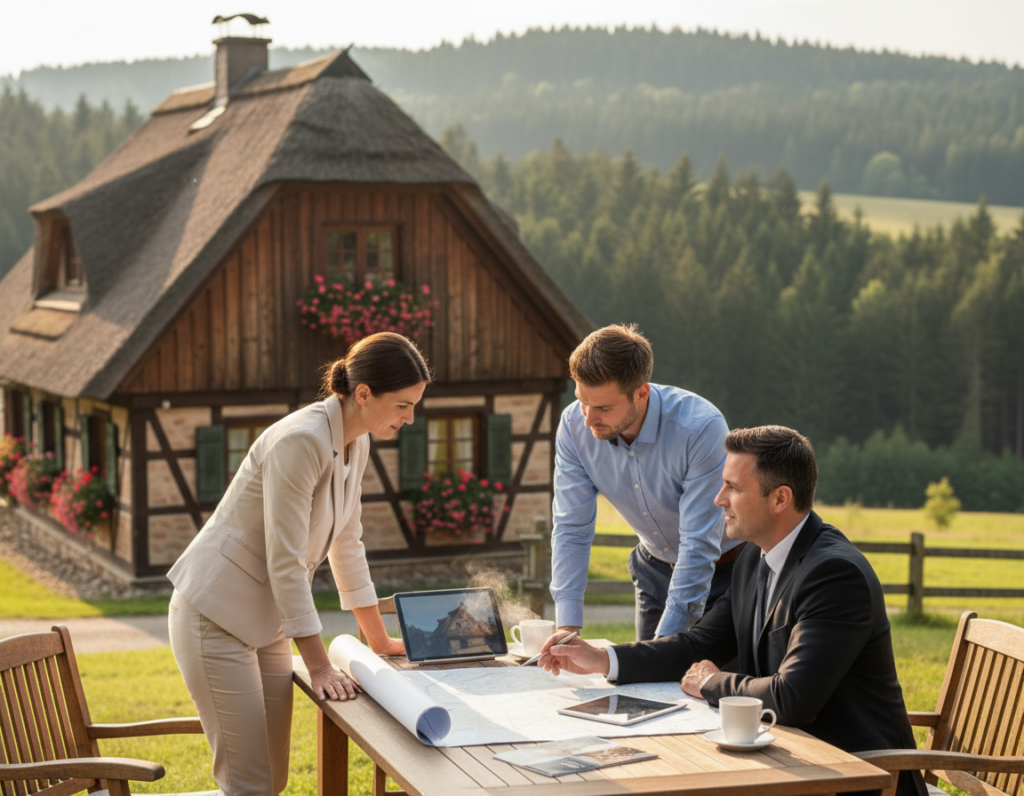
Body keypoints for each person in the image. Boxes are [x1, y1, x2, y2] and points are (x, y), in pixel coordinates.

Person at [540, 425, 926, 796]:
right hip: (788, 762)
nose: (718, 498)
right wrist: (601, 658)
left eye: (733, 487)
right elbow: (698, 645)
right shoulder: (754, 555)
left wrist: (711, 683)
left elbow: (792, 697)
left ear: (780, 499)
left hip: (860, 775)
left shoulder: (834, 575)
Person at [167, 332, 430, 796]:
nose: (410, 418)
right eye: (403, 406)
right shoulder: (301, 441)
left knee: (274, 777)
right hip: (215, 618)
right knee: (250, 784)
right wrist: (320, 665)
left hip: (268, 624)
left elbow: (347, 543)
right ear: (364, 394)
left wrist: (379, 638)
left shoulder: (358, 441)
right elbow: (285, 561)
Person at [550, 323, 739, 640]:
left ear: (641, 393)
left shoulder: (701, 428)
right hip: (652, 570)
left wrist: (661, 647)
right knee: (642, 687)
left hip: (727, 574)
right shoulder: (573, 427)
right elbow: (571, 526)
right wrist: (568, 626)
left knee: (713, 682)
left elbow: (698, 543)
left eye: (603, 407)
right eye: (582, 400)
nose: (587, 419)